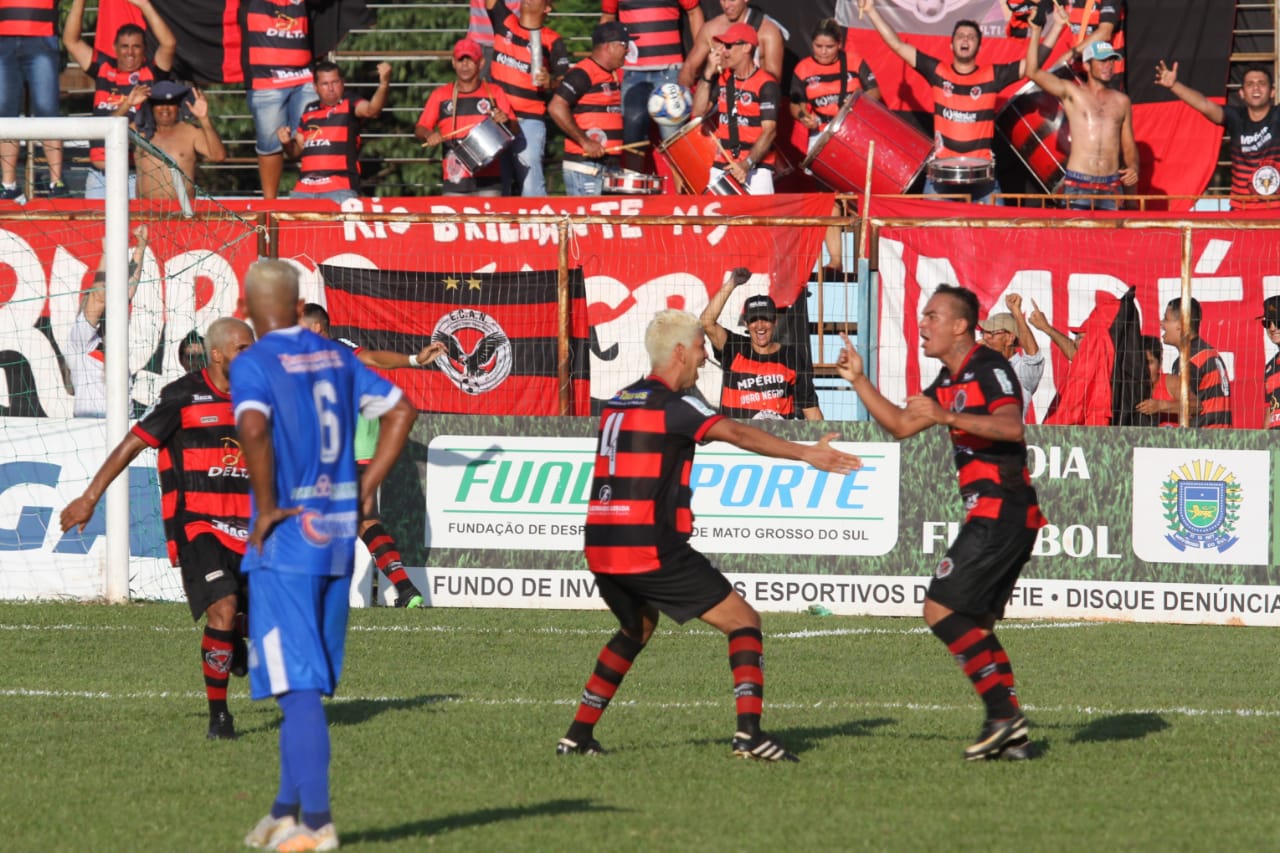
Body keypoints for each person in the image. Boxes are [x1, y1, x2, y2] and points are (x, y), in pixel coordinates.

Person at [556, 308, 861, 762]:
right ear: (680, 351)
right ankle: (750, 736)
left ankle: (577, 736)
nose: (704, 358)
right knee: (744, 621)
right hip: (646, 544)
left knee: (634, 629)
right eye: (701, 348)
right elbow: (735, 431)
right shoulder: (676, 403)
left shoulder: (621, 398)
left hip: (601, 543)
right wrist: (805, 453)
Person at [234, 260, 416, 851]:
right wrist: (366, 488)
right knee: (305, 686)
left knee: (298, 688)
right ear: (296, 304)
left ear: (247, 306)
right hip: (337, 539)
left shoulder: (254, 362)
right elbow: (402, 410)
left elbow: (255, 432)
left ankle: (316, 824)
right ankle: (285, 810)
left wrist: (264, 505)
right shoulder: (337, 356)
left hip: (286, 541)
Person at [836, 284, 1046, 761]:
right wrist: (859, 380)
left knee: (939, 610)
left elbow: (1013, 427)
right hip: (1000, 513)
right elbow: (902, 424)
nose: (923, 324)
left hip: (1002, 509)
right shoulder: (948, 379)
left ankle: (1003, 716)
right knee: (976, 622)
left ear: (960, 326)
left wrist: (948, 416)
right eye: (921, 316)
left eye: (932, 316)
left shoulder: (990, 369)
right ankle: (1011, 733)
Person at [60, 317, 256, 740]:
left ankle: (236, 635)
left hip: (250, 523)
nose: (251, 354)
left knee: (251, 618)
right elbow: (133, 443)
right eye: (243, 348)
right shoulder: (182, 396)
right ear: (218, 354)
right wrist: (90, 497)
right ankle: (219, 718)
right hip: (199, 522)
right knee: (222, 607)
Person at [300, 302, 446, 607]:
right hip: (356, 455)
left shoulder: (337, 351)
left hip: (343, 456)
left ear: (316, 328)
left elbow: (374, 358)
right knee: (365, 522)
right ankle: (406, 590)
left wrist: (413, 360)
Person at [860, 0, 1063, 204]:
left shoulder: (992, 76)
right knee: (932, 234)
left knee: (993, 234)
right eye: (960, 36)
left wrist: (1057, 27)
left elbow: (1032, 65)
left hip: (983, 179)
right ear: (951, 44)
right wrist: (871, 11)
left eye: (971, 37)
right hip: (941, 179)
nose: (965, 40)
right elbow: (897, 45)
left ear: (979, 45)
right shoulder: (938, 72)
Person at [790, 17, 879, 272]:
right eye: (818, 46)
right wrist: (801, 116)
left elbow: (875, 92)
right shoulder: (803, 68)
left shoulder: (854, 62)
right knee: (828, 198)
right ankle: (836, 260)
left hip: (851, 135)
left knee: (855, 199)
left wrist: (855, 103)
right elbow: (794, 103)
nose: (823, 52)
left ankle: (864, 258)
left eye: (829, 47)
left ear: (838, 45)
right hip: (820, 137)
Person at [64, 0, 177, 200]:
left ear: (144, 50)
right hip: (98, 176)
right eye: (124, 46)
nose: (130, 52)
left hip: (133, 175)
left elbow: (169, 43)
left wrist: (144, 5)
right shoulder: (104, 69)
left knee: (135, 232)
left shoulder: (151, 74)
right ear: (115, 48)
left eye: (136, 46)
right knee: (95, 232)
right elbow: (71, 41)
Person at [1027, 17, 1138, 211]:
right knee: (1074, 241)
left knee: (1110, 241)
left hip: (1111, 186)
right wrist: (1036, 31)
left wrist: (1134, 167)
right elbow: (1032, 71)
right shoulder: (1072, 92)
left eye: (1111, 60)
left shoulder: (1122, 101)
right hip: (1078, 184)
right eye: (1102, 61)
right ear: (1087, 65)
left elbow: (1129, 147)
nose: (1108, 65)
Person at [699, 268, 823, 420]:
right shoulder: (734, 347)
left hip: (776, 440)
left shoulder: (791, 356)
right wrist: (732, 283)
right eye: (753, 320)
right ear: (746, 324)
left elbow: (810, 408)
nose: (760, 326)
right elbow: (706, 322)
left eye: (765, 318)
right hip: (736, 440)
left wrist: (824, 442)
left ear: (775, 322)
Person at [1155, 63, 1280, 210]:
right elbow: (1204, 104)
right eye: (1250, 84)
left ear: (1272, 92)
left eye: (1262, 84)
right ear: (1241, 93)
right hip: (1241, 209)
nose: (1256, 88)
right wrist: (1174, 85)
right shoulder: (1235, 117)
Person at [487, 0, 571, 197]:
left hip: (529, 121)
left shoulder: (552, 39)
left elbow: (565, 83)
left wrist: (550, 82)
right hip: (496, 118)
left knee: (531, 187)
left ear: (547, 8)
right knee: (498, 187)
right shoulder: (506, 22)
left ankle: (539, 225)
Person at [277, 60, 391, 204]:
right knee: (289, 225)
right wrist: (286, 143)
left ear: (342, 83)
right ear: (316, 87)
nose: (331, 88)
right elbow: (296, 152)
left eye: (335, 82)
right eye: (325, 84)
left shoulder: (349, 102)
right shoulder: (308, 110)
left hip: (340, 189)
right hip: (304, 190)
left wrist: (384, 84)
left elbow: (372, 110)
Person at [416, 38, 515, 198]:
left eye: (470, 60)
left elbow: (514, 129)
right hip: (455, 178)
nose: (465, 65)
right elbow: (420, 128)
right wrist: (429, 135)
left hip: (489, 179)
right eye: (460, 60)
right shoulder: (440, 95)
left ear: (481, 63)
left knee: (487, 222)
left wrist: (505, 121)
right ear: (453, 63)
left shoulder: (495, 92)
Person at [601, 0, 704, 154]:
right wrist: (607, 63)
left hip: (671, 71)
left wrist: (698, 58)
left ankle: (680, 178)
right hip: (631, 73)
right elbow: (607, 20)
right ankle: (633, 179)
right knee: (632, 142)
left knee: (674, 141)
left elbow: (694, 12)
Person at [689, 23, 780, 195]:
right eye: (722, 45)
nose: (723, 51)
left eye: (729, 46)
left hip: (756, 167)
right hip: (723, 163)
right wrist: (708, 74)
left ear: (746, 47)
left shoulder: (766, 84)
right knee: (716, 220)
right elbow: (698, 112)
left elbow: (769, 132)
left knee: (757, 221)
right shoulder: (722, 78)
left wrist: (746, 164)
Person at [240, 0, 317, 200]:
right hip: (265, 80)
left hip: (305, 78)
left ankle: (309, 195)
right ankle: (270, 204)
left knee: (311, 139)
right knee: (270, 144)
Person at [68, 225, 148, 418]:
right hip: (90, 428)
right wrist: (108, 254)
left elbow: (126, 292)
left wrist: (141, 247)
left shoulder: (114, 345)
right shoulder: (82, 341)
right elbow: (99, 297)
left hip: (123, 427)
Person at [548, 21, 627, 197]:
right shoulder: (582, 72)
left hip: (607, 166)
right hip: (586, 167)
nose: (628, 50)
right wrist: (585, 141)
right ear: (609, 46)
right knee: (588, 224)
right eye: (624, 45)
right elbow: (556, 107)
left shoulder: (610, 74)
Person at [0, 0, 66, 201]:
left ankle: (57, 183)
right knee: (5, 111)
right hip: (3, 38)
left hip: (42, 36)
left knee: (47, 109)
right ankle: (8, 185)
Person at [1136, 296, 1231, 428]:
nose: (1161, 324)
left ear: (1181, 325)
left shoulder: (1190, 361)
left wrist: (1159, 405)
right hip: (1222, 436)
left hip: (1205, 438)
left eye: (1166, 319)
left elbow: (1193, 406)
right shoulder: (1209, 353)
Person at [135, 82, 228, 202]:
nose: (165, 108)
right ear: (151, 106)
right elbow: (106, 131)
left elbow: (218, 156)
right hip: (144, 212)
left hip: (182, 212)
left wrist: (204, 119)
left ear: (179, 106)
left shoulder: (192, 132)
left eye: (171, 103)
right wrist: (127, 105)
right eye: (159, 103)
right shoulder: (138, 132)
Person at [679, 0, 784, 92]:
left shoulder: (768, 32)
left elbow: (773, 83)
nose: (726, 5)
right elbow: (689, 68)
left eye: (732, 0)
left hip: (754, 103)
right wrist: (683, 96)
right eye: (723, 0)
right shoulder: (710, 29)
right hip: (720, 101)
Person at [977, 293, 1043, 421]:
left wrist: (1016, 312)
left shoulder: (1021, 369)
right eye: (984, 333)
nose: (985, 337)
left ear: (1009, 338)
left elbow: (1033, 356)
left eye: (992, 333)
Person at [1137, 333, 1177, 427]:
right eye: (1142, 362)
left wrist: (1160, 406)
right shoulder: (1126, 387)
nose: (1145, 369)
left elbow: (1196, 406)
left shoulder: (1170, 383)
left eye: (1150, 362)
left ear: (1160, 363)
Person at [1261, 296, 1280, 429]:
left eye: (1278, 321)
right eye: (1267, 322)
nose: (1272, 328)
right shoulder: (1270, 367)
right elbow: (1270, 412)